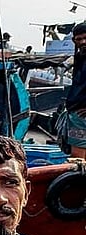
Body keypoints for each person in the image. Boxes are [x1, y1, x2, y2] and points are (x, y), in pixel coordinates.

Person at [63, 23, 86, 159]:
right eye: (79, 39)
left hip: (82, 116)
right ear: (74, 41)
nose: (83, 42)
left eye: (85, 38)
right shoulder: (79, 57)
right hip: (76, 113)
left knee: (77, 158)